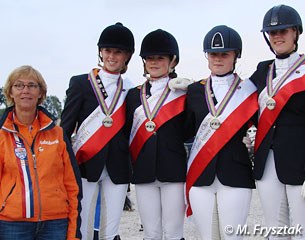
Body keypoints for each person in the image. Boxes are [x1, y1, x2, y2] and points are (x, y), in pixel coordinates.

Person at [60, 22, 134, 240]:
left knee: (110, 229)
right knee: (82, 224)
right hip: (85, 162)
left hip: (118, 165)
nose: (111, 56)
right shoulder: (80, 83)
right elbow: (66, 126)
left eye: (118, 52)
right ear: (101, 52)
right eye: (107, 51)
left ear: (127, 56)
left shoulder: (130, 89)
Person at [183, 25, 258, 239]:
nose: (218, 59)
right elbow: (184, 130)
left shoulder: (248, 90)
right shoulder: (194, 91)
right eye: (213, 54)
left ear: (236, 56)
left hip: (236, 174)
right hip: (200, 174)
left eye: (224, 54)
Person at [0, 65, 82, 240]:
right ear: (10, 92)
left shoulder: (58, 134)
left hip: (55, 223)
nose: (25, 90)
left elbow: (72, 186)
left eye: (32, 85)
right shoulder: (1, 135)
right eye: (19, 85)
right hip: (12, 224)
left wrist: (74, 230)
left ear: (40, 93)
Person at [125, 29, 189, 240]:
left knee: (173, 232)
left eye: (160, 58)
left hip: (173, 171)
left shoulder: (183, 92)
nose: (153, 63)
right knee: (151, 233)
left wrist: (191, 95)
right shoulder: (134, 96)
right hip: (144, 172)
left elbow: (190, 129)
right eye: (149, 58)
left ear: (172, 61)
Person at [248, 5, 305, 239]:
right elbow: (238, 102)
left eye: (284, 30)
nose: (277, 36)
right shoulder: (263, 70)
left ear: (296, 33)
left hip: (300, 162)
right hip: (267, 161)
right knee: (276, 229)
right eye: (273, 33)